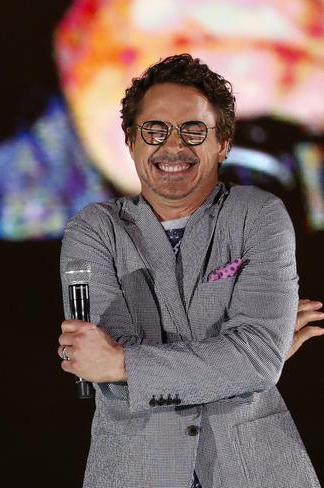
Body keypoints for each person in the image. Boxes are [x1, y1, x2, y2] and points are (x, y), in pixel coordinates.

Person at [57, 54, 322, 488]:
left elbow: (253, 358)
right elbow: (105, 376)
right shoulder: (94, 230)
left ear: (223, 143)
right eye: (154, 130)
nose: (173, 145)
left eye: (193, 130)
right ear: (131, 141)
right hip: (134, 470)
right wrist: (242, 360)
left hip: (256, 469)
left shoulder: (259, 215)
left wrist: (256, 357)